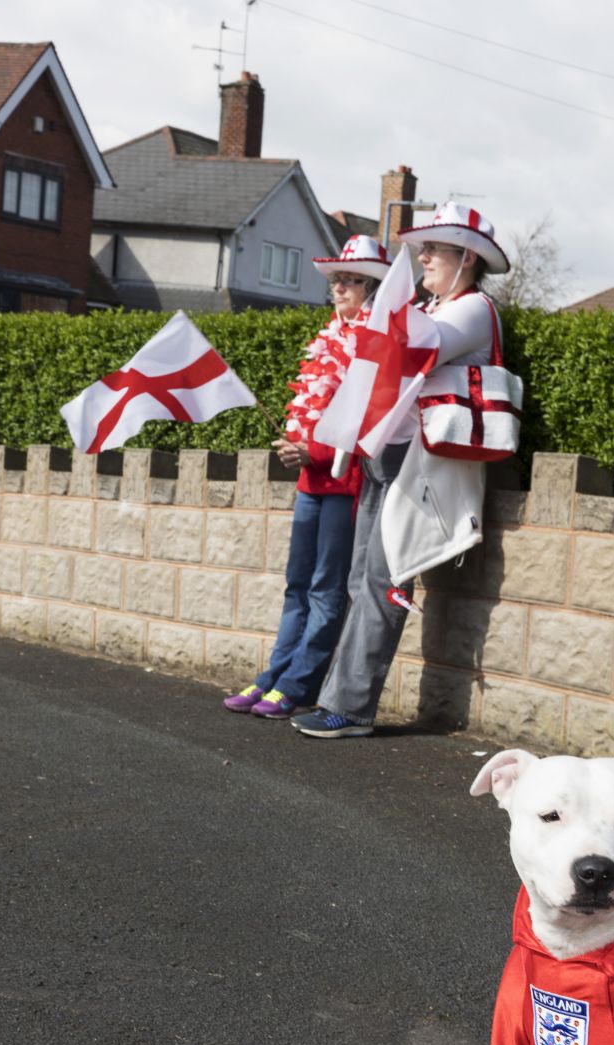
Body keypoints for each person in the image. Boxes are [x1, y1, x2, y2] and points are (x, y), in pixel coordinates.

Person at [289, 203, 510, 739]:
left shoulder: (473, 308)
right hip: (394, 457)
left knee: (385, 581)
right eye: (425, 247)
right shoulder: (435, 304)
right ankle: (339, 700)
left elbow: (416, 348)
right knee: (360, 577)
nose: (423, 256)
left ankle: (352, 708)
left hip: (425, 466)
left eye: (436, 248)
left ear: (468, 258)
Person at [222, 236, 392, 718]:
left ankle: (298, 684)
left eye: (350, 279)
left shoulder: (375, 343)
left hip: (342, 485)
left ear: (373, 288)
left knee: (323, 589)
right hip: (312, 483)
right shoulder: (331, 334)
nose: (338, 286)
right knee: (298, 584)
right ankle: (273, 677)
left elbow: (363, 423)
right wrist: (298, 448)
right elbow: (315, 406)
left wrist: (310, 451)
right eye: (336, 278)